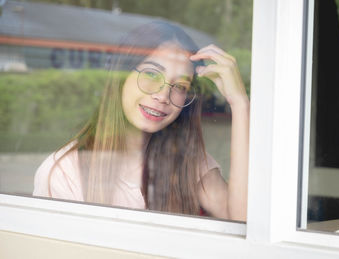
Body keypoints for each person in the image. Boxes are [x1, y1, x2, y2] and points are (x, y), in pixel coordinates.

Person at [33, 21, 249, 221]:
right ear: (120, 76)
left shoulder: (188, 161)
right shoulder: (63, 172)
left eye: (180, 87)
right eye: (152, 75)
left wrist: (239, 103)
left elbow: (241, 222)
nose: (163, 96)